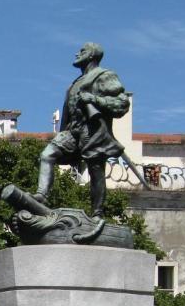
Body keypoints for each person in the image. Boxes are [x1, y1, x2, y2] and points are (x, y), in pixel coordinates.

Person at [34, 42, 130, 219]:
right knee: (47, 155)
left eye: (82, 51)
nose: (77, 54)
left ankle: (97, 213)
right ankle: (42, 195)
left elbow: (122, 104)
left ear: (93, 55)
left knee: (96, 172)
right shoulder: (74, 84)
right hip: (72, 132)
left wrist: (95, 99)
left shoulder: (104, 76)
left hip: (92, 132)